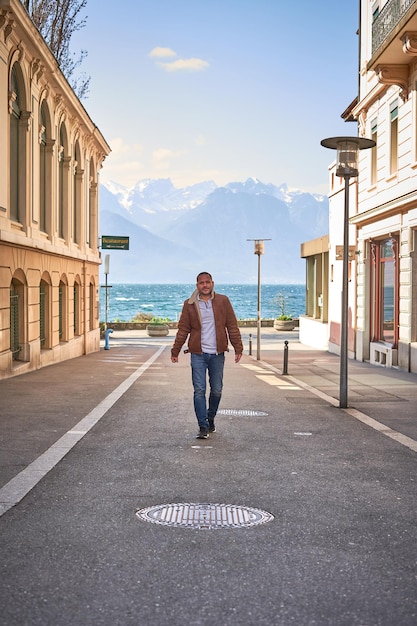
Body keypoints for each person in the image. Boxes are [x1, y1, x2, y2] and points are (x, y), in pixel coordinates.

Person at [171, 272, 243, 439]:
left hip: (217, 354)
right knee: (199, 390)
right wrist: (176, 350)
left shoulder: (223, 301)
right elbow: (183, 329)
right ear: (197, 285)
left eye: (207, 282)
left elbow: (232, 326)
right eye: (201, 283)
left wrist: (238, 347)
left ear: (212, 283)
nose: (205, 285)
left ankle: (210, 418)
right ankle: (203, 426)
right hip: (198, 354)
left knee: (217, 390)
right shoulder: (189, 304)